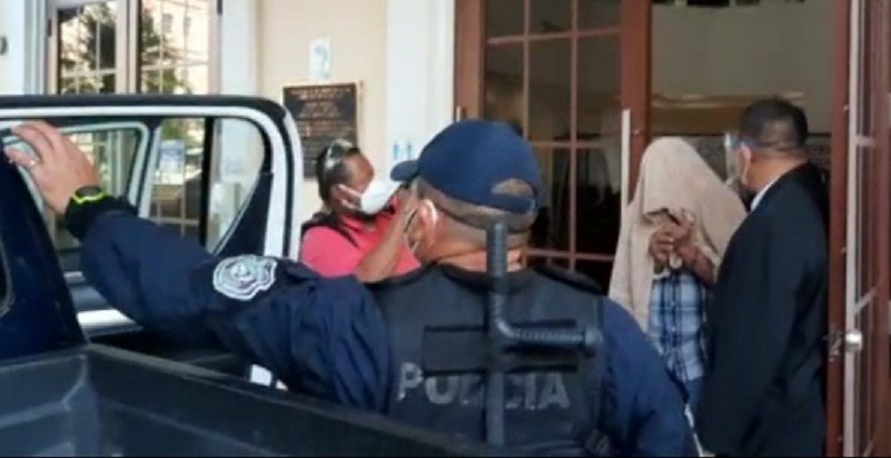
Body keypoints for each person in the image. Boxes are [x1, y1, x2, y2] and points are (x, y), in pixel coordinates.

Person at [5, 119, 695, 457]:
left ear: (420, 217)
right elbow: (665, 443)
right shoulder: (605, 328)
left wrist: (91, 203)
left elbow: (195, 292)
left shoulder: (350, 324)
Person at [696, 99, 829, 456]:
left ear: (744, 153)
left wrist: (718, 437)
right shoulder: (812, 196)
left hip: (774, 426)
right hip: (804, 410)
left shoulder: (774, 224)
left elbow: (752, 340)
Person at [610, 138, 746, 411]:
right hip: (651, 370)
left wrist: (692, 254)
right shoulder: (634, 219)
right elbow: (626, 288)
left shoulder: (723, 209)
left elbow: (740, 283)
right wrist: (655, 259)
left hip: (702, 369)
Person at [300, 139, 419, 282]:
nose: (375, 187)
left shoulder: (386, 212)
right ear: (340, 193)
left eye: (373, 178)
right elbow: (369, 278)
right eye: (366, 183)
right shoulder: (319, 238)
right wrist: (403, 215)